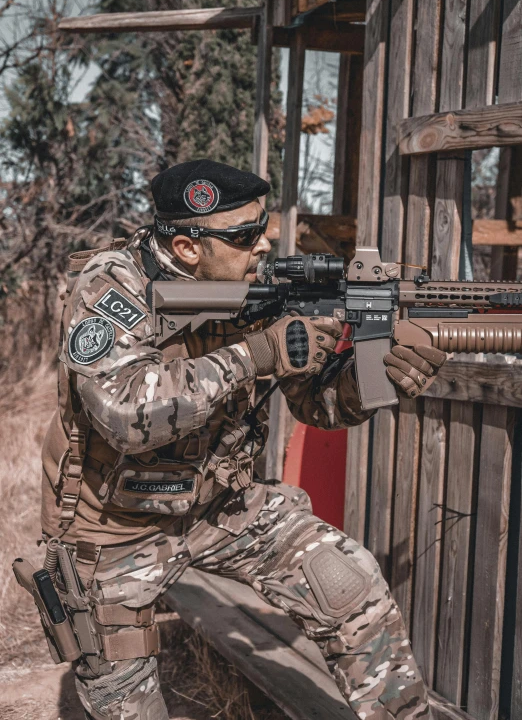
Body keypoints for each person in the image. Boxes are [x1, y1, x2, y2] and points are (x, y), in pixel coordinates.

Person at [41, 159, 445, 720]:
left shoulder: (265, 287)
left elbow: (318, 405)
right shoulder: (114, 285)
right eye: (245, 236)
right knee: (124, 705)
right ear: (186, 248)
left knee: (348, 582)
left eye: (264, 231)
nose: (263, 247)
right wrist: (258, 354)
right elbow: (125, 411)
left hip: (220, 505)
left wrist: (376, 381)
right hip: (115, 524)